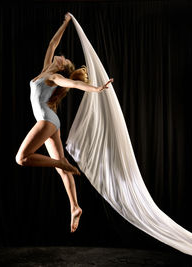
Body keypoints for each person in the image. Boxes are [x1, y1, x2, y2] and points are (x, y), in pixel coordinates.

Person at [15, 13, 113, 233]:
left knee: (22, 158)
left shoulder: (54, 78)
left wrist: (96, 89)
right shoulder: (45, 71)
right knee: (60, 165)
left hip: (46, 120)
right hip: (51, 121)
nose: (60, 56)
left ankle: (61, 163)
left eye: (63, 60)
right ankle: (75, 206)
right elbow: (52, 43)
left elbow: (73, 83)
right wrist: (66, 23)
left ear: (61, 67)